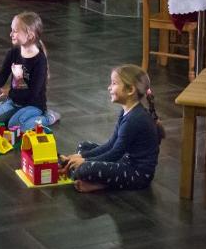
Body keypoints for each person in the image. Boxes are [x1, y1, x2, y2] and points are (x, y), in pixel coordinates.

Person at [59, 65, 163, 193]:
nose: (109, 87)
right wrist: (81, 155)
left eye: (114, 83)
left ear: (130, 89)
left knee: (83, 169)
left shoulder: (134, 119)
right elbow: (111, 145)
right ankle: (95, 178)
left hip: (138, 175)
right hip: (124, 160)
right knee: (83, 146)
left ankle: (102, 184)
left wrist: (84, 161)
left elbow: (115, 153)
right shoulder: (126, 112)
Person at [0, 11, 57, 133]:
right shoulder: (13, 53)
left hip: (33, 105)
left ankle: (47, 118)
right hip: (14, 102)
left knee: (15, 126)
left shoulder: (40, 60)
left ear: (30, 36)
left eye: (15, 31)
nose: (11, 34)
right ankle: (14, 116)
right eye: (11, 30)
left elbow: (33, 94)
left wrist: (11, 91)